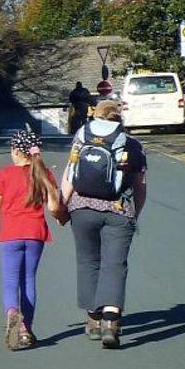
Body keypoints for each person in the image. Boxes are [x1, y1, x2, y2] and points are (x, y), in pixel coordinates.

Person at [60, 97, 148, 348]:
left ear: (96, 116)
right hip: (119, 210)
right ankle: (111, 321)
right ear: (120, 119)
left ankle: (93, 320)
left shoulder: (82, 137)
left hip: (82, 208)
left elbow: (70, 174)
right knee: (115, 264)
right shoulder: (133, 144)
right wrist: (134, 213)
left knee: (88, 261)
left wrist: (62, 206)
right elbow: (141, 185)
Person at [0, 126, 63, 350]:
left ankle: (12, 312)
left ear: (16, 151)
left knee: (10, 281)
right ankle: (26, 330)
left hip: (10, 235)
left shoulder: (4, 174)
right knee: (28, 281)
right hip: (35, 234)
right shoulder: (44, 173)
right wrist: (60, 216)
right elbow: (54, 206)